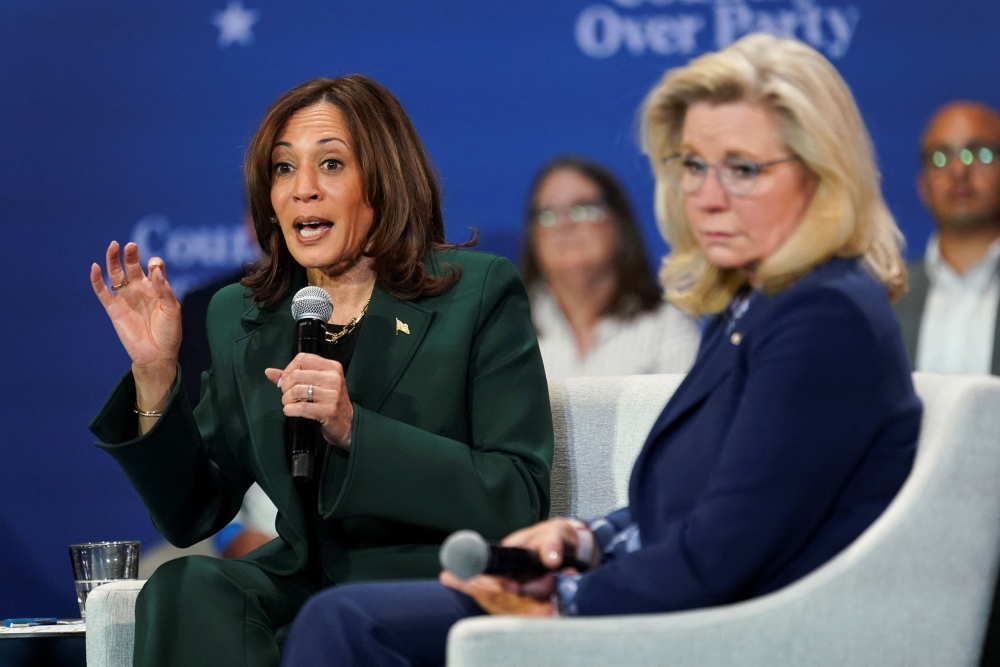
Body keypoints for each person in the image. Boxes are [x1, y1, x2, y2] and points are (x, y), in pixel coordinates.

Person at [278, 33, 922, 666]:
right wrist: (586, 537)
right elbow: (697, 505)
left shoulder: (821, 319)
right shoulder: (759, 305)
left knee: (350, 622)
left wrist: (567, 596)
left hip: (726, 634)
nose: (708, 195)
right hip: (668, 600)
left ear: (820, 173)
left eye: (743, 169)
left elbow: (724, 553)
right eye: (693, 165)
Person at [87, 75, 553, 667]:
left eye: (331, 165)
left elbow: (518, 497)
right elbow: (192, 513)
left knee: (336, 619)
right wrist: (155, 374)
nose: (303, 189)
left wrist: (356, 428)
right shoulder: (244, 316)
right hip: (302, 576)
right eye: (284, 169)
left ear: (381, 181)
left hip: (435, 578)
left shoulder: (475, 294)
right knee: (183, 585)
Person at [523, 156, 700, 378]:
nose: (565, 224)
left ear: (619, 223)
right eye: (547, 214)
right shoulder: (506, 329)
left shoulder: (667, 326)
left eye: (583, 209)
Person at [893, 102, 1000, 375]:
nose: (959, 171)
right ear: (923, 186)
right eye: (941, 157)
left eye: (981, 154)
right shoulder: (887, 299)